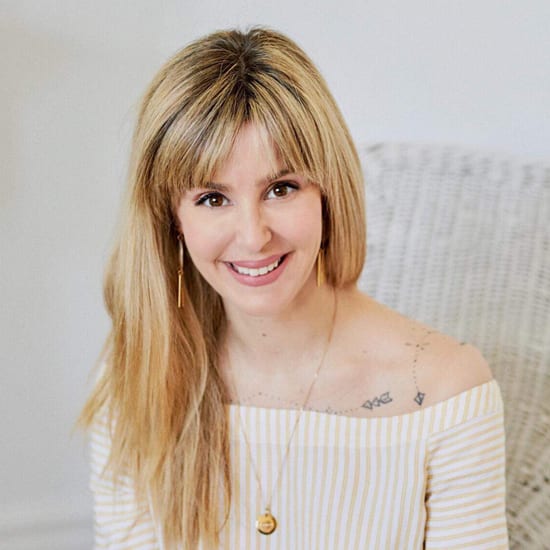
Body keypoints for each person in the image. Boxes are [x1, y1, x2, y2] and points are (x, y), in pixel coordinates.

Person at [80, 27, 508, 549]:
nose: (253, 235)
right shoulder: (139, 377)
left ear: (328, 192)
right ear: (171, 220)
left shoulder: (445, 391)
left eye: (281, 189)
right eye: (213, 198)